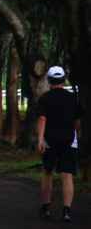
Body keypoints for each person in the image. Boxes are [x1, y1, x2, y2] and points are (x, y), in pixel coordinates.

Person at [36, 65, 83, 222]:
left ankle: (46, 206)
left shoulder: (45, 98)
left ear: (49, 81)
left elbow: (42, 119)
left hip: (49, 140)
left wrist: (40, 139)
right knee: (67, 175)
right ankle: (67, 209)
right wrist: (76, 133)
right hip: (69, 140)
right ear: (64, 79)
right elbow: (77, 122)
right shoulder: (73, 98)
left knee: (47, 171)